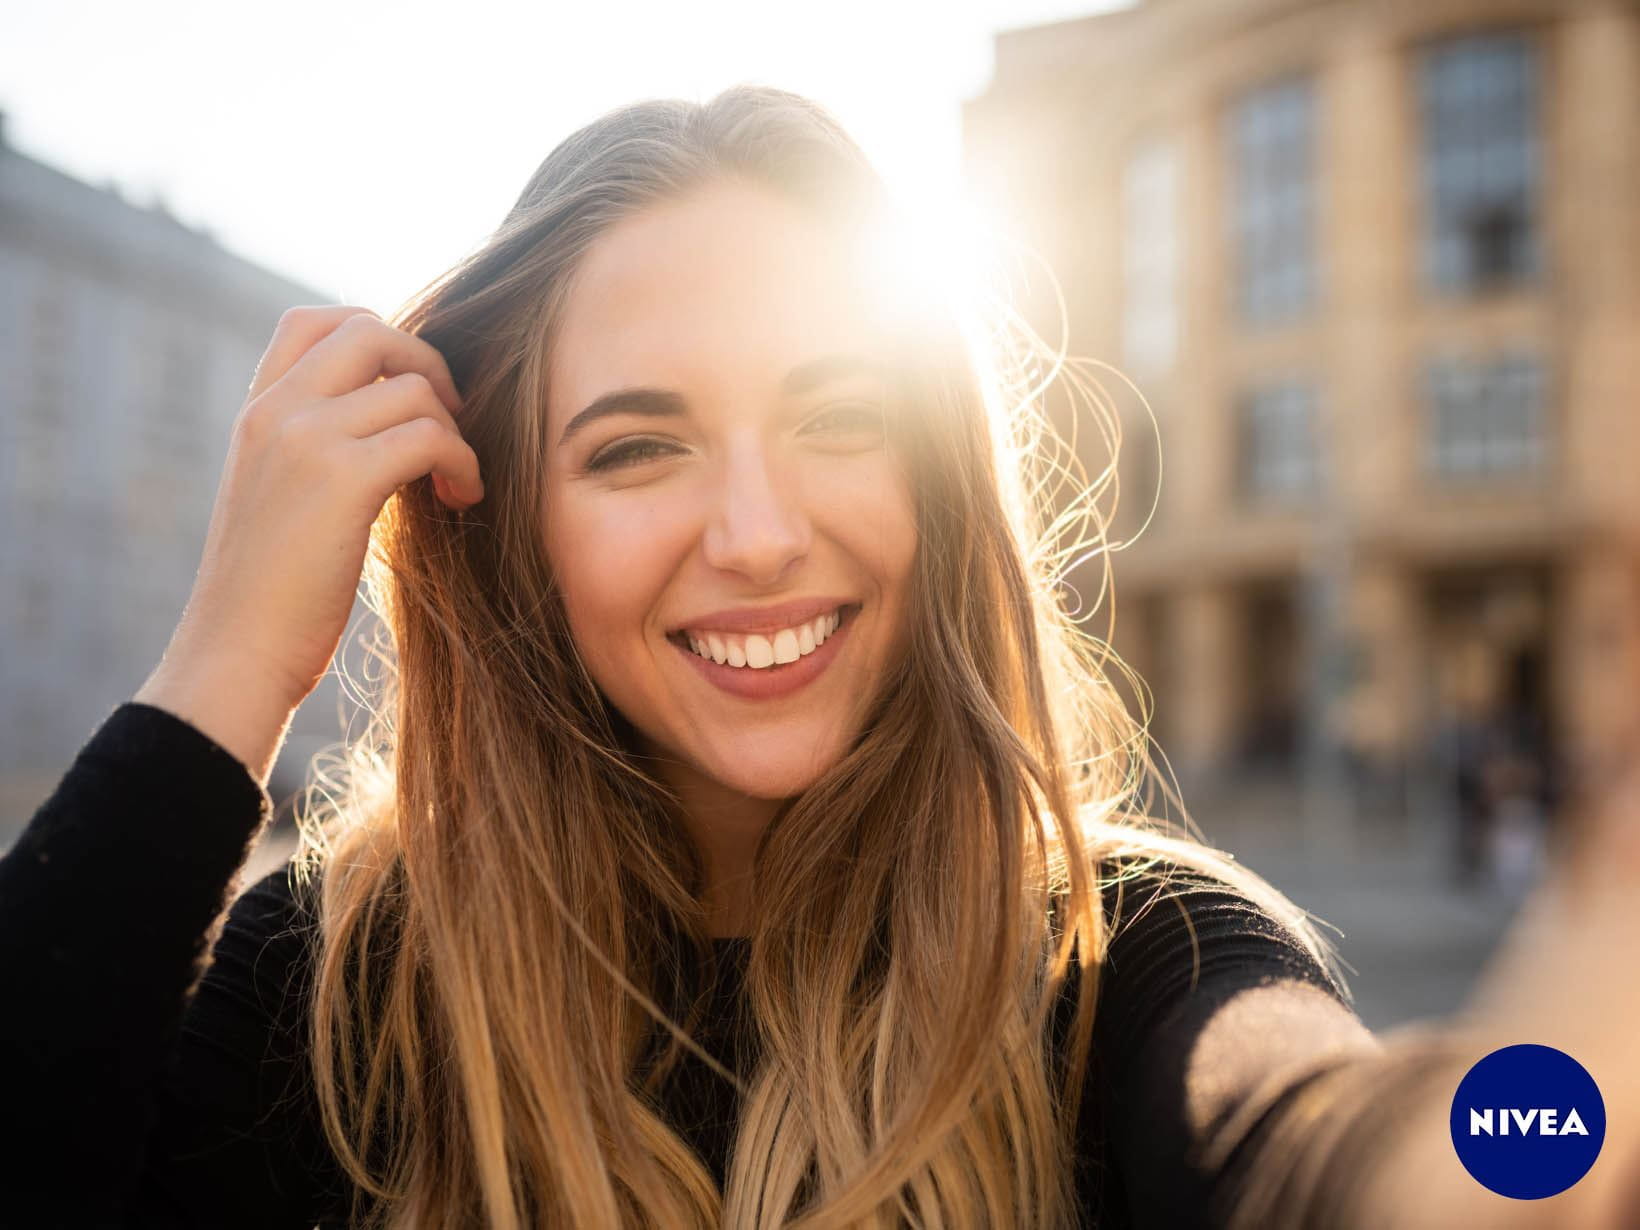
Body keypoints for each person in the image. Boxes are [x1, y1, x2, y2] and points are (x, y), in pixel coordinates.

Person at [2, 85, 1636, 1229]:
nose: (761, 528)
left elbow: (1317, 1140)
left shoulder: (1132, 952)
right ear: (515, 526)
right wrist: (223, 668)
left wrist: (1529, 1140)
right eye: (638, 448)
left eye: (839, 417)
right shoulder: (337, 981)